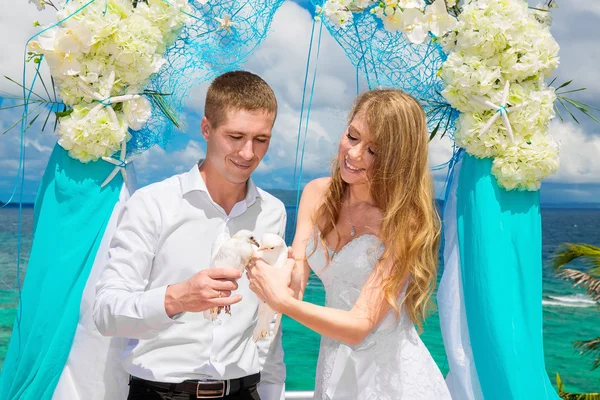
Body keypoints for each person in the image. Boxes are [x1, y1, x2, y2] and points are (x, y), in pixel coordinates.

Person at [246, 89, 452, 399]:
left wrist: (282, 302)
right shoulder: (316, 194)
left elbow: (359, 325)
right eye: (352, 136)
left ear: (397, 160)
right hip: (334, 367)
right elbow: (297, 273)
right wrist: (271, 267)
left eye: (374, 150)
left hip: (394, 382)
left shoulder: (405, 223)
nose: (354, 154)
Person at [93, 70, 287, 400]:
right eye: (235, 136)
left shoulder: (273, 212)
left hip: (246, 391)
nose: (248, 153)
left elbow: (269, 322)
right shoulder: (152, 204)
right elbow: (106, 312)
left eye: (261, 140)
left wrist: (272, 393)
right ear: (207, 129)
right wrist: (178, 297)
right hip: (158, 394)